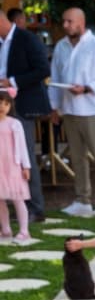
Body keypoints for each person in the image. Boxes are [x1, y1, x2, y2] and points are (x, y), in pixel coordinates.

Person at [49, 7, 95, 218]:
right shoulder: (61, 46)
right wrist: (55, 107)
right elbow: (54, 77)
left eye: (69, 21)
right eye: (64, 21)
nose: (65, 25)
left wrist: (87, 88)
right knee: (77, 156)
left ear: (81, 22)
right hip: (69, 109)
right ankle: (82, 200)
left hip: (93, 109)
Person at [0, 7, 51, 223]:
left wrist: (12, 81)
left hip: (23, 105)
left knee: (24, 155)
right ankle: (16, 205)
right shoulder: (2, 42)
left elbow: (43, 69)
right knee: (6, 157)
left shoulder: (27, 39)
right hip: (3, 106)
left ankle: (35, 208)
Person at [0, 89, 34, 245]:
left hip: (13, 167)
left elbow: (22, 146)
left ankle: (24, 230)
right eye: (0, 103)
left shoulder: (14, 124)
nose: (2, 106)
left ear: (10, 106)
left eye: (6, 104)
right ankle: (6, 229)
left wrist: (25, 166)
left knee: (17, 198)